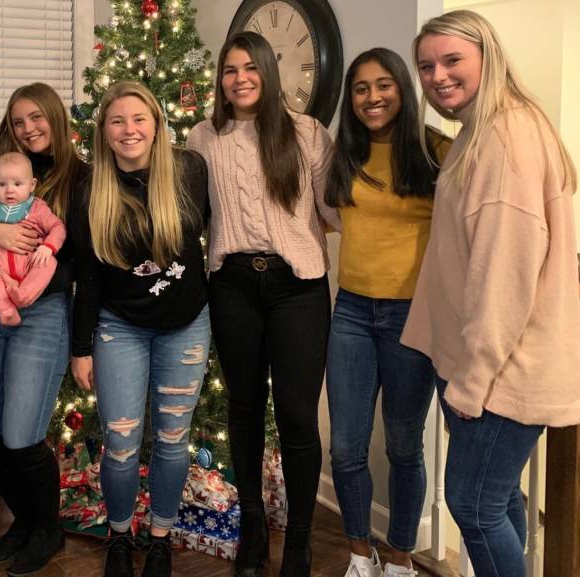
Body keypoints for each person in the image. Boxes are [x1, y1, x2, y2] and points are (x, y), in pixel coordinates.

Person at [402, 10, 580, 577]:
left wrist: (472, 379)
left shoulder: (504, 138)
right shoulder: (482, 130)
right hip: (483, 360)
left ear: (488, 57)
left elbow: (502, 274)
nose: (437, 76)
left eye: (452, 60)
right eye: (427, 65)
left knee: (474, 507)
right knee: (499, 502)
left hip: (501, 370)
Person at [185, 31, 340, 577]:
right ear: (220, 80)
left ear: (268, 73)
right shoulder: (203, 138)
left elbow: (336, 209)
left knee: (298, 417)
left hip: (298, 288)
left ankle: (298, 541)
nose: (240, 78)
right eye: (230, 69)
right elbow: (189, 218)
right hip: (232, 286)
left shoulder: (306, 132)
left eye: (250, 67)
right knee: (244, 409)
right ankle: (253, 524)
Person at [70, 81, 210, 577]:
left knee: (174, 440)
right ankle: (120, 534)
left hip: (186, 326)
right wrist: (81, 347)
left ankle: (160, 539)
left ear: (156, 124)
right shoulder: (90, 189)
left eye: (139, 119)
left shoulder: (191, 170)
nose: (129, 130)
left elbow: (218, 236)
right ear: (104, 133)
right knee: (122, 442)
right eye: (117, 121)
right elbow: (86, 277)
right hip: (119, 329)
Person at [324, 48, 452, 577]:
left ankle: (400, 557)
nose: (372, 98)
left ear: (403, 87)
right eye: (360, 88)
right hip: (351, 310)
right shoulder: (345, 152)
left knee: (403, 446)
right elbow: (327, 215)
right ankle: (359, 553)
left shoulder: (435, 149)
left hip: (412, 317)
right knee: (348, 447)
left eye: (383, 86)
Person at [0, 82, 88, 576]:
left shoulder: (81, 178)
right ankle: (27, 520)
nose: (27, 128)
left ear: (54, 117)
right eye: (17, 121)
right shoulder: (1, 168)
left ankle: (44, 528)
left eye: (36, 117)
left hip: (42, 310)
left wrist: (44, 257)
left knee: (21, 435)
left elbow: (85, 256)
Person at [0, 151, 66, 326]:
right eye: (2, 184)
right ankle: (4, 308)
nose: (10, 190)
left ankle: (23, 295)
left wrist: (48, 246)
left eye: (18, 184)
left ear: (32, 185)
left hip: (30, 262)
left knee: (48, 264)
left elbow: (58, 228)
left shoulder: (37, 208)